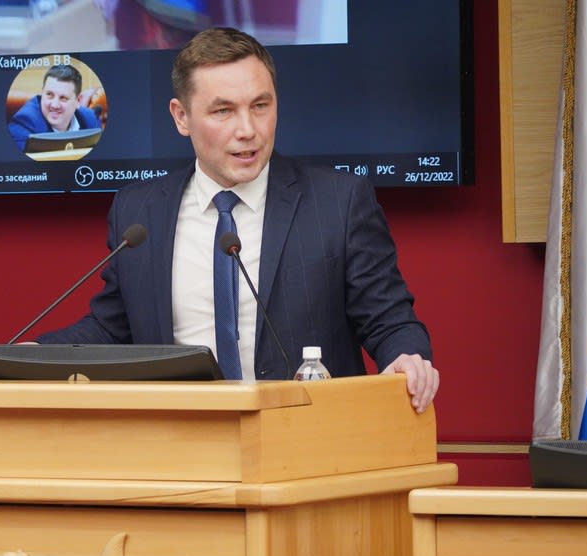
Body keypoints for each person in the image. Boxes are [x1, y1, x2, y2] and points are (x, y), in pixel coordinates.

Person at [35, 27, 439, 413]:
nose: (248, 130)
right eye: (223, 111)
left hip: (305, 438)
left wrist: (407, 358)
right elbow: (114, 328)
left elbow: (390, 322)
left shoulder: (338, 202)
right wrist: (35, 355)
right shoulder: (139, 212)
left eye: (260, 106)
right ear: (181, 117)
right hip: (182, 438)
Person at [8, 64, 102, 152]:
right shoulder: (24, 123)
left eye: (63, 98)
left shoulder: (91, 119)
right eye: (49, 95)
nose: (55, 105)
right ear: (42, 93)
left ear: (78, 101)